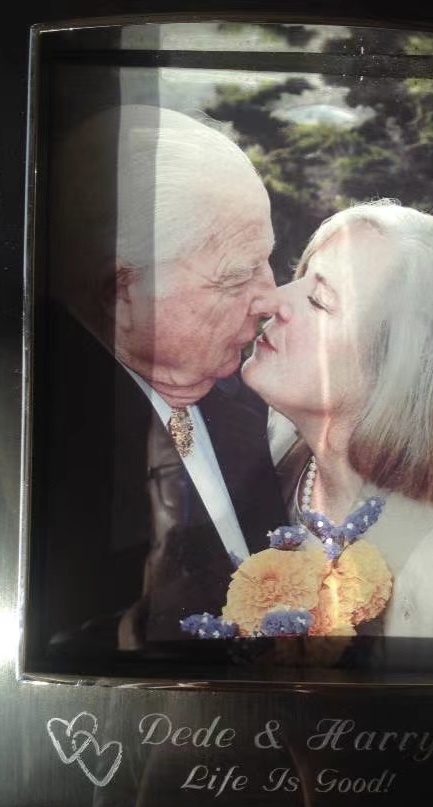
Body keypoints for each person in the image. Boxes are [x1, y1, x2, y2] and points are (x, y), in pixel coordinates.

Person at [30, 104, 289, 658]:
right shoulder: (41, 448)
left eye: (267, 260)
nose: (270, 298)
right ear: (123, 294)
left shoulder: (254, 407)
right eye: (237, 276)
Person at [242, 199, 433, 639]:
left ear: (396, 368)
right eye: (301, 276)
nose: (274, 300)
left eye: (319, 300)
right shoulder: (262, 446)